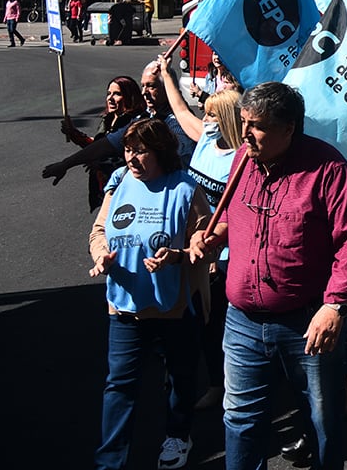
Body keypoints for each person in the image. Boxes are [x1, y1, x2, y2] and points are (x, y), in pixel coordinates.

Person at [189, 82, 347, 470]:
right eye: (244, 123)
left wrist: (336, 304)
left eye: (257, 126)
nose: (246, 133)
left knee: (322, 420)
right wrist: (213, 236)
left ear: (289, 128)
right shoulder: (243, 160)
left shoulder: (328, 170)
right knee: (240, 419)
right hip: (242, 323)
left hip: (307, 323)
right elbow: (235, 222)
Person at [77, 119, 211, 470]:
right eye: (128, 150)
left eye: (141, 151)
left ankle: (178, 436)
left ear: (160, 152)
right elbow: (99, 229)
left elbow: (206, 237)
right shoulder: (118, 182)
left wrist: (180, 254)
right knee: (119, 386)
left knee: (180, 377)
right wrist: (101, 254)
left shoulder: (184, 188)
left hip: (174, 307)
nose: (132, 158)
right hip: (124, 306)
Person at [159, 54, 243, 407]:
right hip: (191, 246)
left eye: (211, 113)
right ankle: (184, 377)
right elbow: (180, 112)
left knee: (214, 324)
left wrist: (213, 252)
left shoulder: (243, 160)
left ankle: (223, 386)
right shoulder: (208, 138)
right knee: (188, 315)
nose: (204, 118)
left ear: (226, 119)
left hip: (222, 255)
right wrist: (167, 75)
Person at [43, 62, 198, 190]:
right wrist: (66, 164)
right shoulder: (143, 118)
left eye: (151, 86)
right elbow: (105, 145)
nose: (144, 92)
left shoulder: (178, 124)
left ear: (168, 89)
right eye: (142, 86)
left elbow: (175, 162)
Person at [60, 76, 148, 210]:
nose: (110, 98)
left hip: (126, 190)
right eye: (109, 94)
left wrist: (98, 162)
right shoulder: (109, 118)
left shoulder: (134, 124)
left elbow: (111, 150)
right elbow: (97, 145)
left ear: (130, 96)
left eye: (117, 94)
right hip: (105, 189)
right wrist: (73, 133)